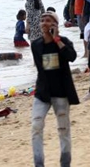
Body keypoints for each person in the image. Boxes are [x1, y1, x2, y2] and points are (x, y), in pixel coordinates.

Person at [30, 12, 79, 167]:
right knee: (36, 126)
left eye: (49, 21)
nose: (45, 23)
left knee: (63, 129)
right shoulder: (36, 45)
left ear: (56, 25)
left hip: (61, 92)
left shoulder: (64, 42)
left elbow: (71, 57)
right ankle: (39, 164)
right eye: (42, 20)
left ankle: (65, 163)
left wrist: (57, 39)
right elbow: (41, 68)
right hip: (43, 92)